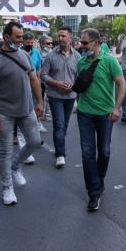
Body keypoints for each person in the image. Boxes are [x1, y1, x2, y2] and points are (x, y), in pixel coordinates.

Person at [0, 21, 44, 206]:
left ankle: (16, 166)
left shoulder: (24, 55)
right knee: (5, 151)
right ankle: (7, 187)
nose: (21, 40)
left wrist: (40, 102)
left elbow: (34, 79)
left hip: (26, 109)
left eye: (22, 36)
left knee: (34, 141)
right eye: (18, 37)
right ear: (7, 37)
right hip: (4, 112)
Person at [76, 28, 125, 211]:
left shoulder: (109, 60)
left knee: (104, 151)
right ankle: (93, 192)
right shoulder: (81, 62)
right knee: (87, 153)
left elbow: (122, 84)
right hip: (85, 113)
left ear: (95, 42)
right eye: (81, 42)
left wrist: (116, 108)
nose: (82, 46)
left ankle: (100, 179)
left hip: (105, 114)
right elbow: (81, 85)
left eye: (85, 43)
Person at [40, 27, 80, 168]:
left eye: (63, 36)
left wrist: (74, 85)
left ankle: (59, 146)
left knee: (64, 125)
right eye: (59, 36)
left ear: (70, 38)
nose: (60, 38)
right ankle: (60, 154)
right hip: (55, 95)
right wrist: (56, 83)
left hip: (70, 96)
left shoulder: (77, 56)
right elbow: (43, 74)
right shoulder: (51, 55)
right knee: (58, 124)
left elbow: (80, 76)